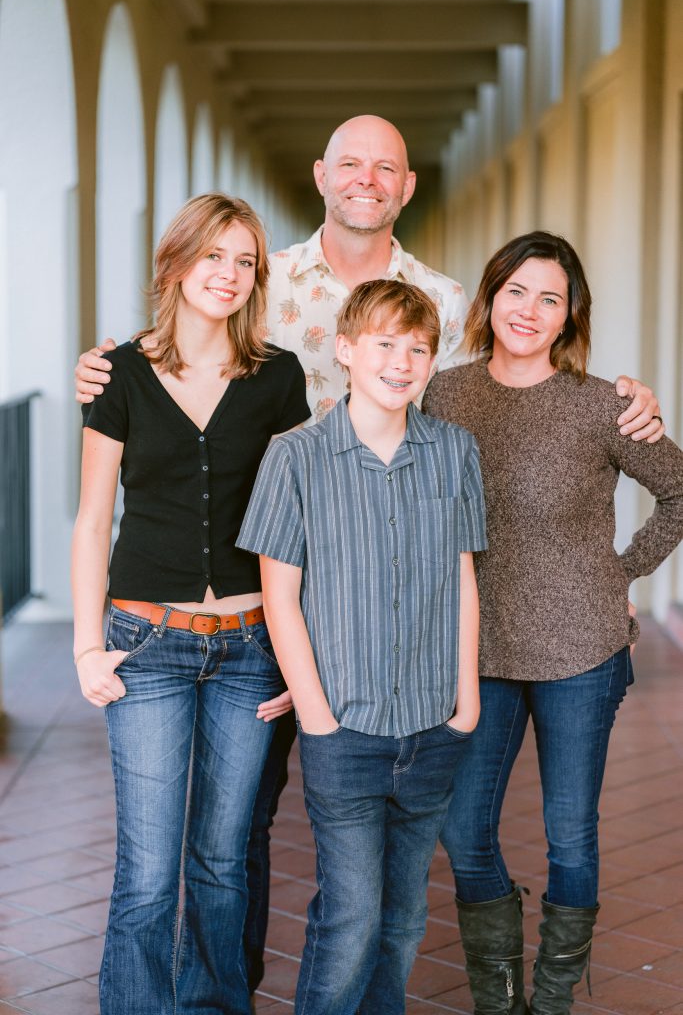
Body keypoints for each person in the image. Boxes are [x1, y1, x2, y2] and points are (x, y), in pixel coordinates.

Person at [72, 115, 664, 994]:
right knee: (222, 839)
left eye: (384, 167)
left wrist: (623, 412)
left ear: (407, 186)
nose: (366, 179)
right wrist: (110, 363)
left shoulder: (443, 304)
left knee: (231, 846)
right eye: (350, 163)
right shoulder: (261, 292)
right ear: (320, 174)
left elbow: (506, 378)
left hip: (337, 620)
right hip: (230, 604)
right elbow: (187, 332)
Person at [422, 231, 683, 1014]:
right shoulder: (443, 394)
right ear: (489, 297)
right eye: (515, 291)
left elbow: (677, 491)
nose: (528, 310)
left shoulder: (602, 405)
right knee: (463, 831)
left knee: (570, 834)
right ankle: (498, 999)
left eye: (550, 298)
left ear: (569, 317)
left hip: (580, 652)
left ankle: (553, 999)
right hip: (477, 649)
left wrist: (621, 569)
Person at [71, 194, 310, 1015]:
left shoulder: (278, 377)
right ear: (175, 263)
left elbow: (298, 526)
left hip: (250, 649)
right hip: (145, 645)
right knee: (147, 867)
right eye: (213, 256)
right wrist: (84, 647)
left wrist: (299, 654)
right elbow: (93, 517)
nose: (229, 275)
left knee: (219, 863)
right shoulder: (120, 375)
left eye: (245, 261)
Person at [237, 279, 487, 1015]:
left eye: (418, 348)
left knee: (405, 918)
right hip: (341, 729)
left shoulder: (454, 451)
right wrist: (314, 717)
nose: (401, 361)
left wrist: (465, 704)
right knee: (351, 918)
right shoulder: (295, 457)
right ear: (344, 350)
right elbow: (279, 597)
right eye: (384, 344)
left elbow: (464, 579)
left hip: (433, 724)